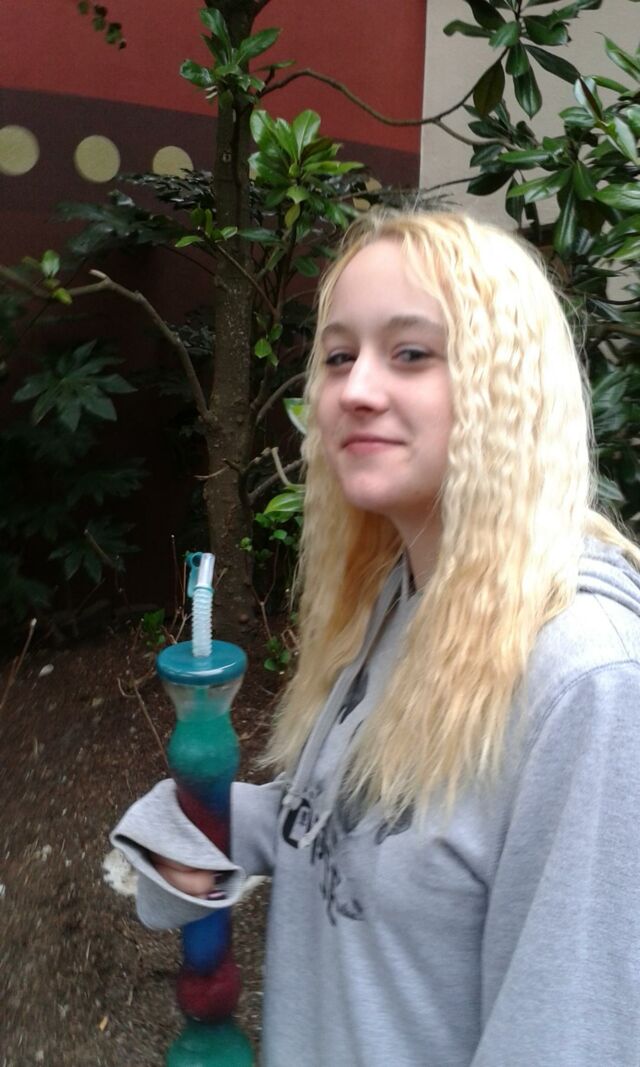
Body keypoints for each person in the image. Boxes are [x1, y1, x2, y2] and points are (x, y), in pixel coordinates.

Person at [113, 210, 640, 1066]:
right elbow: (376, 828)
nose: (355, 388)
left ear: (509, 386)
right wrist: (203, 821)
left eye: (411, 352)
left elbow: (567, 1035)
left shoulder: (585, 679)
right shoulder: (405, 592)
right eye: (337, 355)